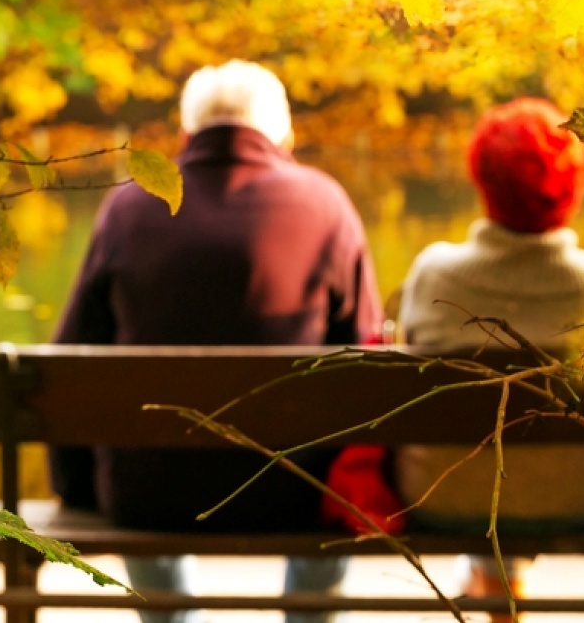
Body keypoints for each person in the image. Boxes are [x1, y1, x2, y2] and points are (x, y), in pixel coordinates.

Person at [51, 59, 383, 623]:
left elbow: (70, 354)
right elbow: (368, 362)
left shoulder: (129, 207)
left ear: (186, 137)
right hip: (293, 494)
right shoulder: (326, 205)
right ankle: (308, 618)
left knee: (142, 463)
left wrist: (79, 489)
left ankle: (172, 619)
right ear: (285, 137)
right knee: (334, 466)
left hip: (148, 498)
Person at [392, 97, 584, 618]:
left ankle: (492, 584)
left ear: (482, 181)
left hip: (447, 500)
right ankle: (500, 587)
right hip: (581, 496)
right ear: (574, 186)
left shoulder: (436, 274)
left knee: (485, 467)